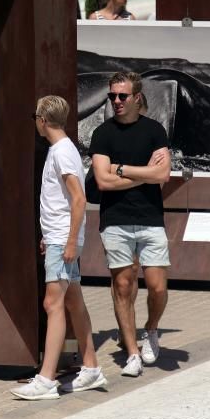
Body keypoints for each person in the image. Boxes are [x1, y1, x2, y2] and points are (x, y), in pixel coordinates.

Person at [11, 96, 104, 400]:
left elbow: (79, 199)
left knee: (53, 304)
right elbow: (62, 200)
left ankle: (47, 379)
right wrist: (52, 235)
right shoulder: (63, 149)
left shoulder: (62, 152)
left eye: (35, 116)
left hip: (63, 239)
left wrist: (67, 241)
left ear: (42, 120)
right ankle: (90, 367)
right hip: (59, 236)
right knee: (73, 301)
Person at [90, 72, 171, 378]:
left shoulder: (155, 131)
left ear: (137, 97)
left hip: (150, 218)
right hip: (116, 220)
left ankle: (150, 328)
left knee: (157, 287)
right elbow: (102, 180)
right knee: (123, 286)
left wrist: (121, 169)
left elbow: (162, 176)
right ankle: (133, 352)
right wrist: (143, 173)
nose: (116, 102)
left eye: (122, 96)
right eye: (112, 96)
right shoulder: (103, 134)